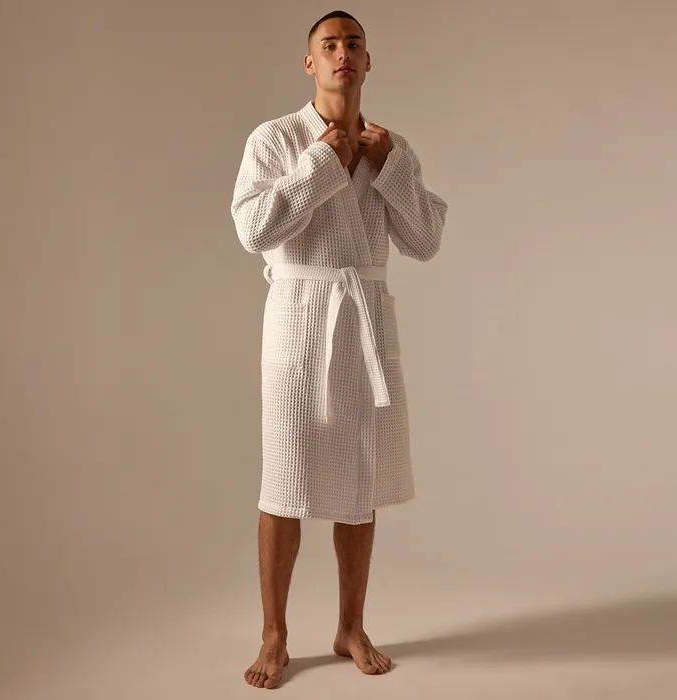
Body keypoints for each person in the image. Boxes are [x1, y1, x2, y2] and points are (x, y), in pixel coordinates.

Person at [230, 9, 448, 690]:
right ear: (310, 62)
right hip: (297, 322)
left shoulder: (391, 148)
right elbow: (254, 229)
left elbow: (424, 241)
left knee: (359, 479)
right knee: (283, 479)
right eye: (329, 44)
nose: (342, 53)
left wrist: (391, 170)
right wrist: (324, 161)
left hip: (364, 325)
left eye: (353, 43)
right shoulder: (275, 139)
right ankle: (274, 633)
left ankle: (350, 626)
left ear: (368, 60)